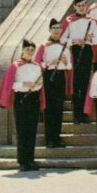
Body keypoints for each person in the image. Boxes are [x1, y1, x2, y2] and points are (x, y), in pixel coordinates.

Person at [0, 39, 44, 171]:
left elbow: (40, 83)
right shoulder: (15, 66)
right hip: (22, 98)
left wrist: (37, 85)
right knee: (22, 130)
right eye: (28, 49)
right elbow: (9, 84)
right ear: (23, 50)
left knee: (32, 130)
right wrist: (24, 84)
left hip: (34, 98)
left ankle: (31, 160)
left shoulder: (37, 66)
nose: (30, 52)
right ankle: (23, 161)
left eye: (32, 50)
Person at [60, 0, 97, 124]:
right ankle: (76, 115)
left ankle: (84, 114)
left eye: (83, 5)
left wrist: (90, 39)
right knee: (75, 84)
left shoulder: (92, 21)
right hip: (74, 52)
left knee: (84, 84)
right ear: (74, 7)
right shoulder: (69, 21)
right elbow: (62, 39)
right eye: (79, 6)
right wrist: (74, 41)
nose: (82, 8)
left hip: (87, 52)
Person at [35, 19, 71, 148]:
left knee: (58, 108)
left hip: (60, 76)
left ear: (61, 30)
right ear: (50, 30)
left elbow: (69, 66)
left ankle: (57, 137)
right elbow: (37, 62)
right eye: (54, 28)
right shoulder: (44, 45)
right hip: (49, 76)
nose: (56, 30)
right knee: (49, 109)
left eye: (58, 28)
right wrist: (49, 64)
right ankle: (49, 138)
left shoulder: (65, 46)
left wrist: (65, 61)